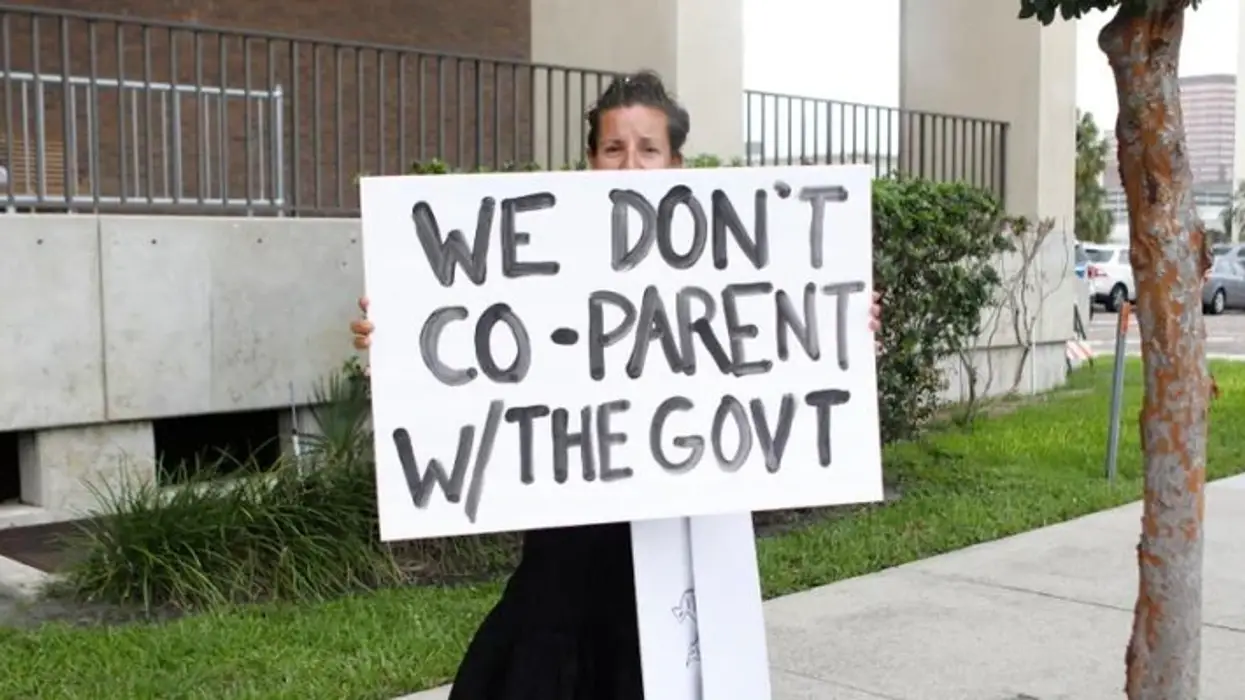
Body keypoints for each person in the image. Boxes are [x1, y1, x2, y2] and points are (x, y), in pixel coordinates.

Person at [350, 70, 884, 700]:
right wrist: (395, 339)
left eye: (648, 149)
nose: (630, 164)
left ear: (676, 163)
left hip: (677, 533)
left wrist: (841, 329)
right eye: (613, 149)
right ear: (590, 162)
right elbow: (473, 354)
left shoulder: (723, 261)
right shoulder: (547, 254)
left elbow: (781, 354)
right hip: (569, 538)